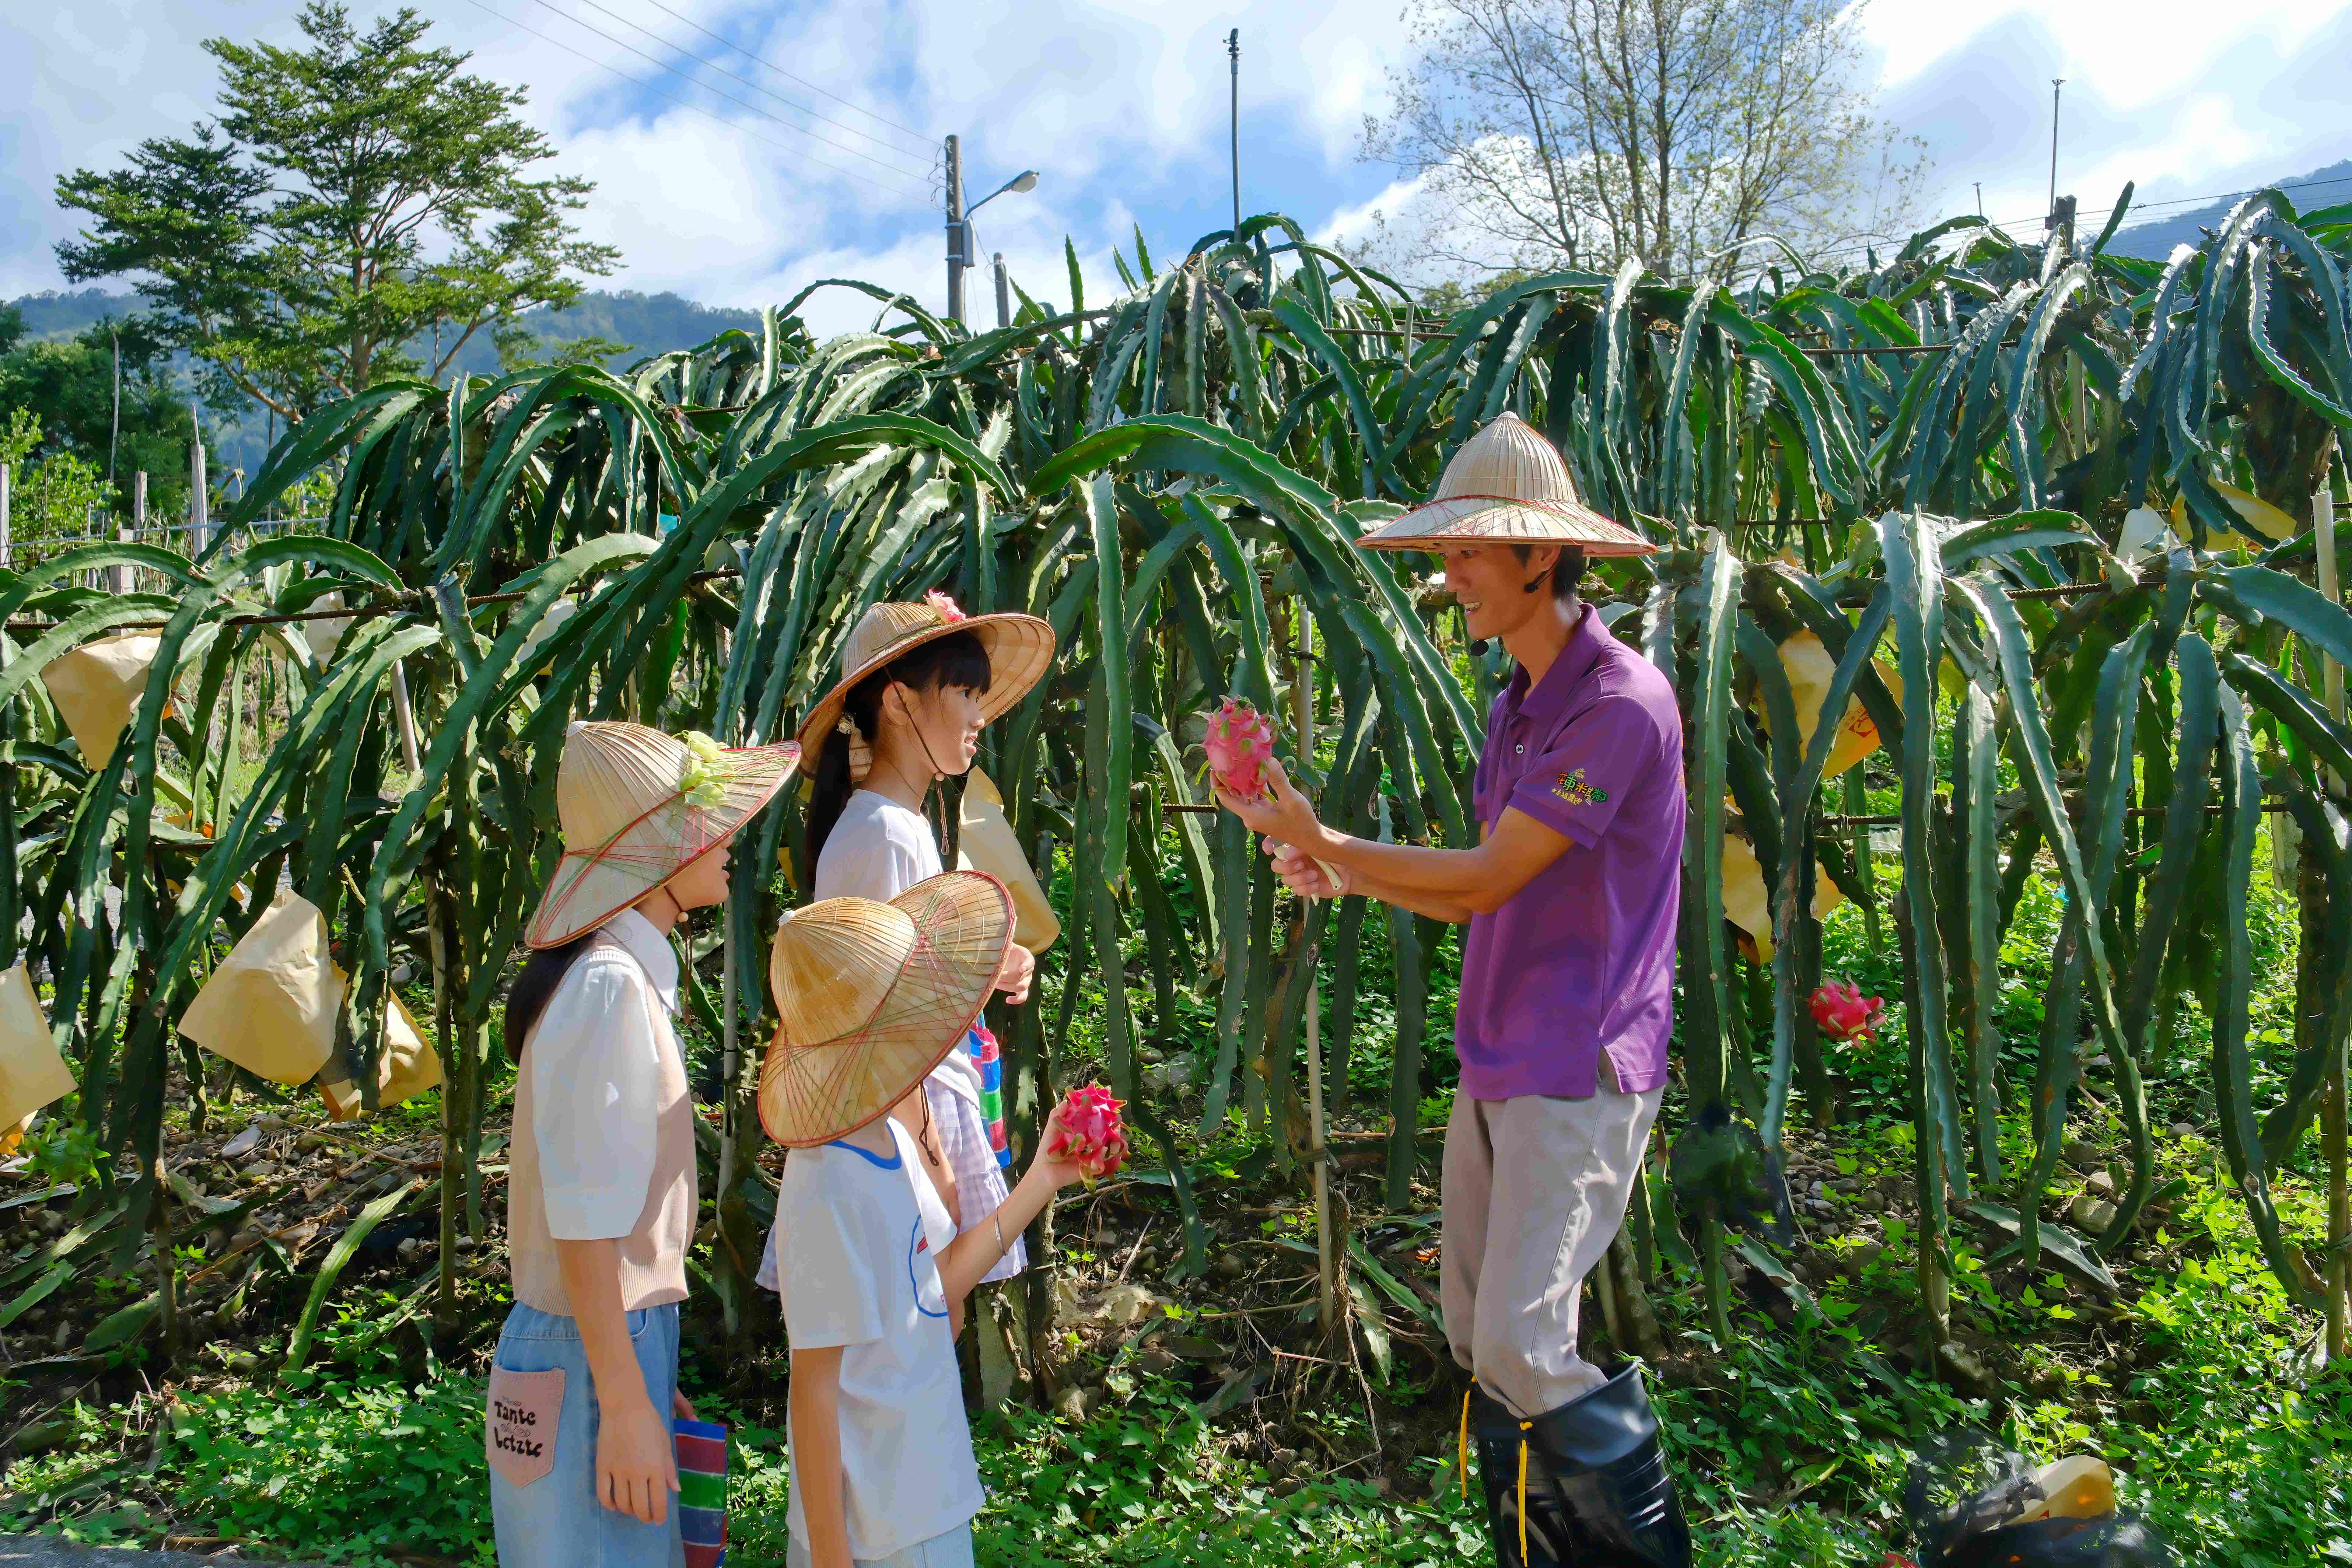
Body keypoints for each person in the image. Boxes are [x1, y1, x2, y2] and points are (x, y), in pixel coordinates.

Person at [1215, 412, 1692, 1568]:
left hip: (1575, 1060)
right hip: (1501, 1056)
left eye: (1473, 549)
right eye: (1445, 550)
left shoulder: (1617, 703)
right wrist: (1337, 869)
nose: (1451, 572)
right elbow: (1476, 899)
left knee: (1525, 1343)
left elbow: (1487, 874)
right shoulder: (1517, 706)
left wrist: (1331, 836)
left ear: (1542, 556)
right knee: (1481, 1340)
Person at [489, 720, 802, 1567]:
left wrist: (635, 1378)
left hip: (593, 1342)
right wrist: (624, 1401)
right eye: (710, 821)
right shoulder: (609, 991)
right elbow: (586, 1225)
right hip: (592, 1347)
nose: (730, 839)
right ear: (658, 846)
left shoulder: (606, 979)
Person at [756, 873, 1085, 1568]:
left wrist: (1044, 1177)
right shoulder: (826, 1178)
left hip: (924, 1497)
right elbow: (813, 1384)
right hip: (877, 1531)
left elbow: (934, 1289)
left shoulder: (887, 1134)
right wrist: (830, 1557)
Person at [755, 593, 1056, 1328]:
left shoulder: (895, 827)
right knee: (919, 1327)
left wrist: (988, 966)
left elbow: (909, 980)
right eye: (963, 692)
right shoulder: (885, 835)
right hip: (902, 1120)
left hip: (911, 1111)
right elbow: (880, 1021)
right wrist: (932, 1159)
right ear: (897, 701)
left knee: (920, 1329)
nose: (980, 716)